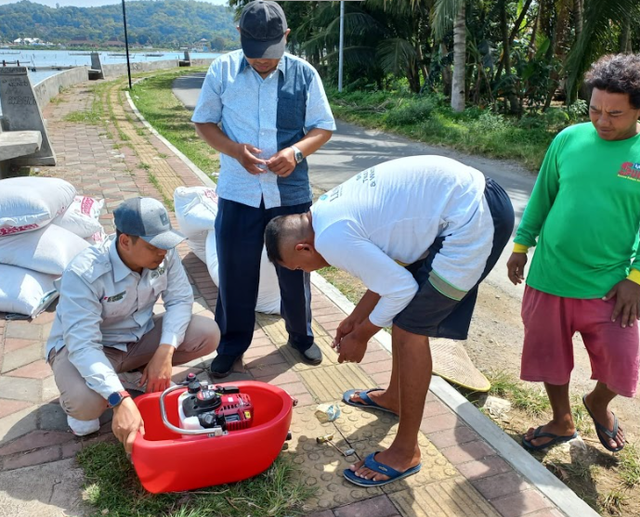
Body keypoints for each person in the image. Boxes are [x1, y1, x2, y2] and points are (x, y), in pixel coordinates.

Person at [264, 155, 514, 486]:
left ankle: (407, 451)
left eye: (297, 267)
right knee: (403, 321)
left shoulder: (329, 239)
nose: (303, 272)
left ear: (303, 247)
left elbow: (400, 288)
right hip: (470, 201)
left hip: (475, 219)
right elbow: (391, 265)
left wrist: (363, 335)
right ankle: (395, 397)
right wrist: (356, 316)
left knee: (410, 329)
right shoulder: (324, 213)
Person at [191, 0, 336, 378]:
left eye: (271, 55)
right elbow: (204, 122)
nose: (262, 62)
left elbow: (323, 126)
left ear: (286, 37)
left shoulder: (304, 74)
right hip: (239, 192)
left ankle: (301, 336)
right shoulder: (222, 70)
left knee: (296, 269)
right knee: (236, 273)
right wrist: (235, 151)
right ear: (240, 37)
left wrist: (296, 152)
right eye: (255, 55)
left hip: (290, 197)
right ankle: (232, 345)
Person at [507, 53, 640, 454]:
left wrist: (635, 278)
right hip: (551, 275)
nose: (601, 120)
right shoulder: (568, 139)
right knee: (549, 357)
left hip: (611, 284)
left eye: (614, 114)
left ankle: (598, 403)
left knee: (622, 365)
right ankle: (561, 420)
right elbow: (543, 196)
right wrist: (520, 245)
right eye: (595, 109)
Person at [46, 197, 220, 452]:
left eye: (165, 244)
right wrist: (120, 400)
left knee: (207, 333)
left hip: (138, 338)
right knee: (86, 407)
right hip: (89, 349)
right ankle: (116, 384)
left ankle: (130, 375)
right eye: (154, 246)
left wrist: (165, 351)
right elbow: (83, 346)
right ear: (125, 241)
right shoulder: (84, 273)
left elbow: (181, 299)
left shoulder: (164, 254)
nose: (163, 252)